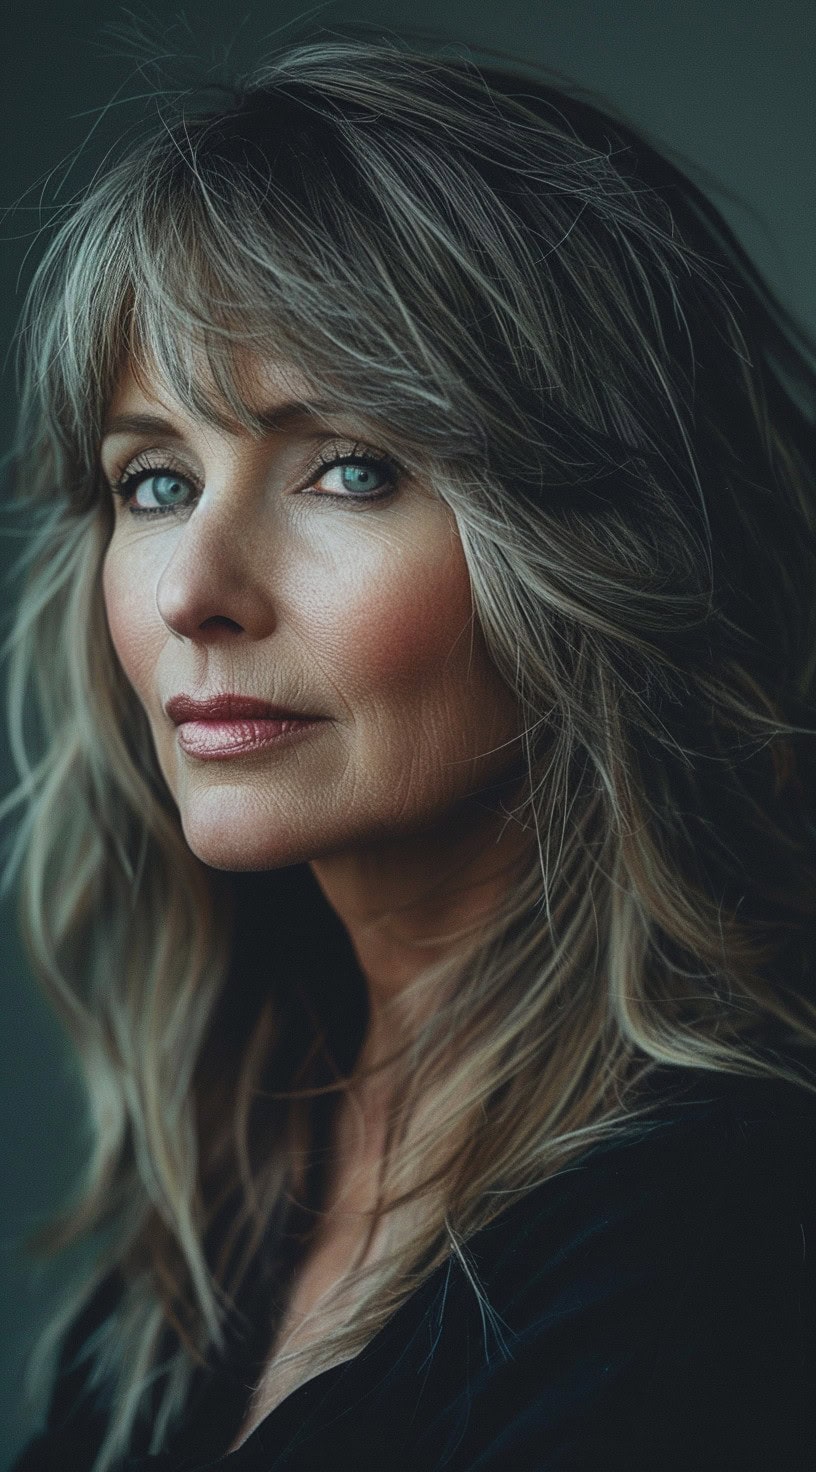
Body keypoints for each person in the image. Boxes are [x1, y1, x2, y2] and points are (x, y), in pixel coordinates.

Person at [3, 26, 816, 1472]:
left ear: (598, 543)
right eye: (156, 479)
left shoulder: (731, 1234)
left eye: (351, 468)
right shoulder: (228, 1186)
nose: (195, 587)